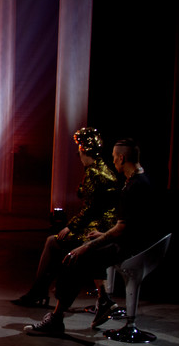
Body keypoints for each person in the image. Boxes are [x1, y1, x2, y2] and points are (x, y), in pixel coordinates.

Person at [24, 138, 160, 335]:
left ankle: (56, 319)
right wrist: (101, 236)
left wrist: (87, 246)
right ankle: (103, 300)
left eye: (114, 157)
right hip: (136, 242)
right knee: (87, 247)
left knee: (75, 257)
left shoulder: (133, 186)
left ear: (122, 158)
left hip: (133, 249)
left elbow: (121, 229)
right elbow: (132, 226)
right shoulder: (142, 180)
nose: (113, 161)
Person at [12, 128, 119, 307]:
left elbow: (91, 208)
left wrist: (71, 227)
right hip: (100, 228)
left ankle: (41, 293)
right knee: (54, 244)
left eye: (78, 148)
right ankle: (41, 291)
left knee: (53, 243)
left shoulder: (95, 173)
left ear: (83, 150)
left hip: (97, 231)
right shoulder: (101, 169)